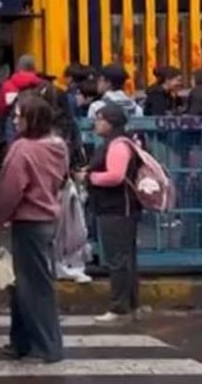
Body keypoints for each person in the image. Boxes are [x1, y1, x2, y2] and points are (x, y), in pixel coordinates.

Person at [0, 95, 67, 364]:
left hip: (27, 220)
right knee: (32, 283)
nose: (15, 120)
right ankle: (22, 341)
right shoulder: (58, 146)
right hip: (47, 219)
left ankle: (45, 346)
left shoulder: (22, 149)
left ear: (31, 119)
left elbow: (10, 189)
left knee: (33, 286)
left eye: (19, 116)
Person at [86, 104, 140, 325]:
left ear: (111, 121)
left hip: (116, 208)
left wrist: (91, 178)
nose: (96, 123)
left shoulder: (117, 145)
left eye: (100, 119)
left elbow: (116, 176)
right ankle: (130, 303)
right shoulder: (121, 142)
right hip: (119, 207)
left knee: (117, 258)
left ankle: (119, 307)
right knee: (125, 257)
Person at [0, 55, 42, 122]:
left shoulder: (7, 85)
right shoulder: (41, 84)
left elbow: (1, 108)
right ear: (33, 68)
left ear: (17, 67)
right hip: (35, 121)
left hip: (13, 122)